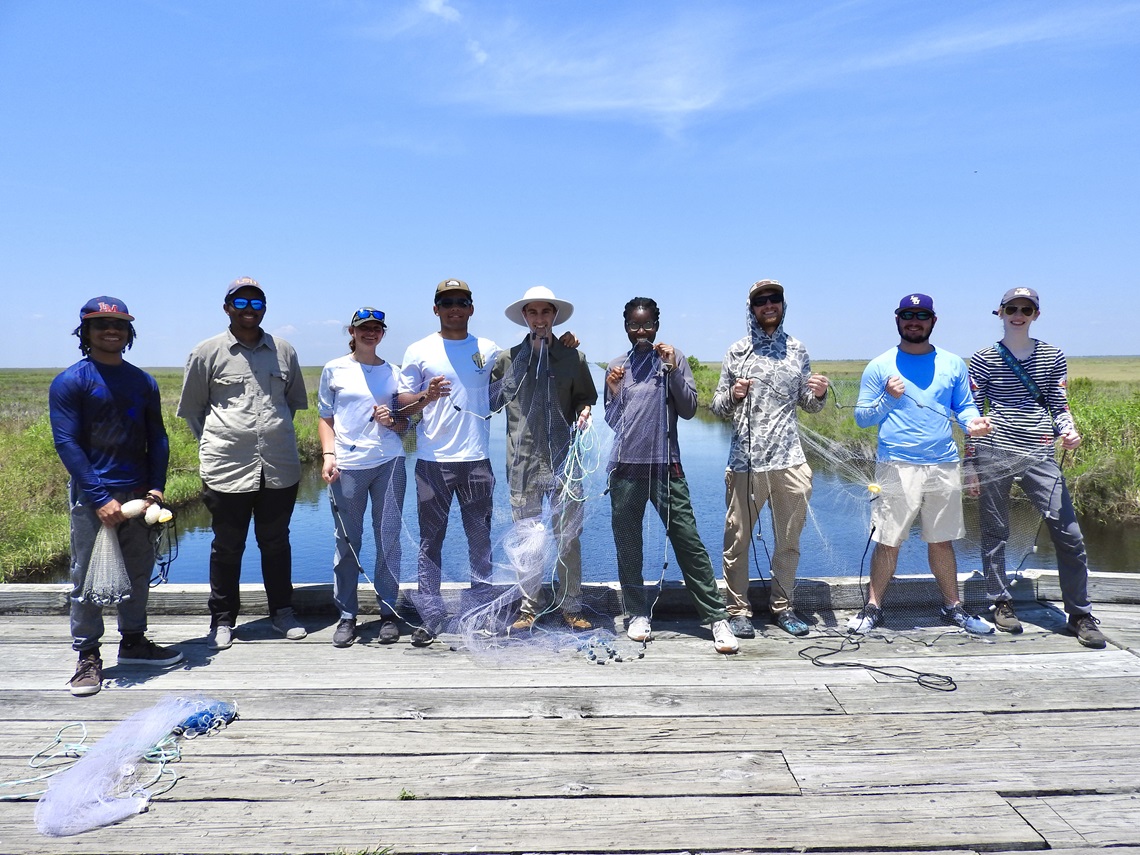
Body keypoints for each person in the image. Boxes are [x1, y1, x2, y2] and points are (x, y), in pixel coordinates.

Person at [49, 296, 183, 696]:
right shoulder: (72, 381)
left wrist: (156, 487)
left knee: (138, 570)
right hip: (94, 495)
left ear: (129, 333)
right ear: (85, 332)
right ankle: (88, 656)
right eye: (102, 325)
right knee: (86, 577)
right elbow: (67, 442)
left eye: (120, 325)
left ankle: (134, 641)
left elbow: (156, 437)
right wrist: (99, 497)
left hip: (139, 493)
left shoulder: (143, 381)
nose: (112, 331)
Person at [965, 287, 1106, 648]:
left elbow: (1059, 403)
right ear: (999, 312)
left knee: (1069, 534)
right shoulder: (982, 358)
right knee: (995, 531)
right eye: (1012, 307)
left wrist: (1069, 431)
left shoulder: (1052, 355)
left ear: (1035, 315)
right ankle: (1001, 602)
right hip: (993, 450)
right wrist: (970, 465)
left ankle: (1079, 613)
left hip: (1039, 451)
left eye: (1026, 309)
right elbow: (973, 414)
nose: (1018, 314)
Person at [849, 293, 993, 635]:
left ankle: (953, 607)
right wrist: (888, 397)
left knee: (942, 540)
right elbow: (861, 418)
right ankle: (873, 608)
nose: (915, 320)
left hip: (944, 464)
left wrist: (973, 423)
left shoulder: (954, 364)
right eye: (908, 314)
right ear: (897, 320)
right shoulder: (880, 365)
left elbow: (965, 407)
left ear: (933, 321)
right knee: (888, 539)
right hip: (896, 465)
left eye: (922, 315)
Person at [177, 277, 309, 650]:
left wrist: (268, 435)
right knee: (226, 545)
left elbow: (291, 405)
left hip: (279, 466)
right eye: (241, 303)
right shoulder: (207, 352)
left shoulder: (284, 350)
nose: (249, 310)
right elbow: (193, 411)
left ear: (264, 309)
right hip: (227, 468)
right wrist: (225, 440)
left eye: (257, 303)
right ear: (227, 307)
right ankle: (222, 621)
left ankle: (282, 613)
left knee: (276, 542)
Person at [604, 297, 738, 653]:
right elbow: (614, 420)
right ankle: (636, 614)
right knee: (629, 545)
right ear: (626, 327)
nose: (642, 332)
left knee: (688, 541)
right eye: (635, 325)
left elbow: (691, 409)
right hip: (625, 469)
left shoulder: (673, 361)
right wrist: (614, 389)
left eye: (647, 325)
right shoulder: (617, 366)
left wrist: (673, 369)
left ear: (657, 326)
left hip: (667, 467)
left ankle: (715, 618)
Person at [710, 279, 829, 639]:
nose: (768, 305)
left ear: (782, 304)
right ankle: (738, 611)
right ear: (752, 308)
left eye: (774, 299)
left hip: (790, 461)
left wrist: (819, 394)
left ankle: (783, 607)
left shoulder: (797, 349)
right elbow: (716, 408)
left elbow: (808, 406)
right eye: (760, 301)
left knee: (789, 541)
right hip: (745, 463)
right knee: (737, 541)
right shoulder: (737, 351)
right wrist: (733, 393)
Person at [396, 279, 503, 646]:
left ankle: (481, 613)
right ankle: (431, 616)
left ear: (471, 308)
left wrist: (563, 345)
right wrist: (426, 396)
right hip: (431, 461)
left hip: (477, 461)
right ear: (435, 308)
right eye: (446, 302)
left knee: (480, 541)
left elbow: (520, 376)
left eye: (461, 301)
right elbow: (402, 403)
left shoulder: (489, 349)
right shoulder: (419, 350)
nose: (454, 308)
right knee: (431, 541)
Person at [492, 286, 598, 632]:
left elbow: (585, 399)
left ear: (554, 316)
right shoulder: (506, 359)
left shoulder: (573, 358)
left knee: (568, 537)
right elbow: (492, 402)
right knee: (528, 540)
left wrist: (584, 413)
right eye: (533, 313)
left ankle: (571, 607)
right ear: (525, 317)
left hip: (566, 463)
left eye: (545, 313)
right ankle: (528, 610)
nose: (540, 319)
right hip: (522, 465)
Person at [318, 307, 411, 649]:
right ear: (352, 332)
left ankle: (388, 612)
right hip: (348, 466)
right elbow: (325, 418)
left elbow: (406, 426)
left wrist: (392, 421)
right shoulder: (335, 369)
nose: (370, 334)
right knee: (347, 543)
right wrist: (329, 456)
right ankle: (347, 616)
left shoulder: (394, 373)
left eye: (376, 329)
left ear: (383, 333)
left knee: (388, 539)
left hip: (389, 462)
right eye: (363, 329)